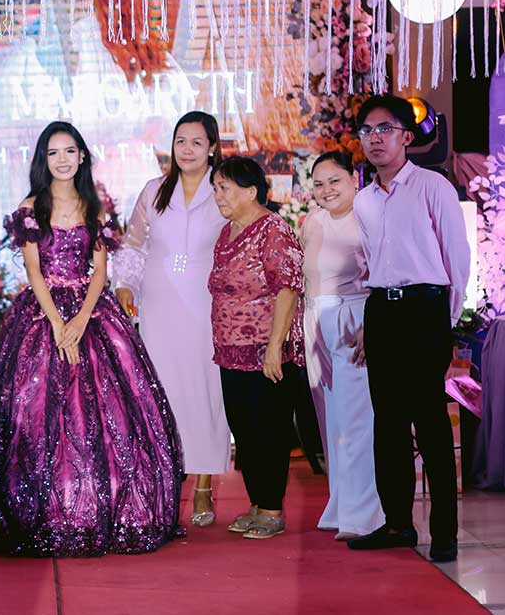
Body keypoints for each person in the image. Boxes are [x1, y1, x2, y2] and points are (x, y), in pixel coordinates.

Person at [0, 121, 184, 557]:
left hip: (90, 311)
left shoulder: (96, 207)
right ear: (44, 159)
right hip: (43, 313)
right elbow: (34, 272)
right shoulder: (30, 208)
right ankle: (50, 511)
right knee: (39, 409)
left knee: (111, 408)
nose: (62, 159)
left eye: (69, 151)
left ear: (81, 157)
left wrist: (80, 320)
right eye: (53, 152)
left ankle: (109, 506)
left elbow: (100, 273)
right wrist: (58, 323)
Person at [347, 95, 470, 563]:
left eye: (385, 129)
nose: (375, 139)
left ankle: (444, 532)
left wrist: (445, 319)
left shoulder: (432, 186)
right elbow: (368, 264)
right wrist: (369, 321)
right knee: (388, 424)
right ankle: (398, 523)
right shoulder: (363, 200)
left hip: (425, 310)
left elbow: (456, 257)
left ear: (406, 136)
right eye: (367, 131)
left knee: (431, 422)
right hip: (383, 311)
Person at [113, 111, 230, 527]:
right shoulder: (154, 190)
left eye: (197, 142)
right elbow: (134, 245)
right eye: (181, 141)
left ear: (212, 147)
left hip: (207, 304)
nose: (187, 149)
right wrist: (125, 285)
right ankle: (163, 484)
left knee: (205, 392)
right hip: (159, 306)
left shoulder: (224, 189)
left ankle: (203, 486)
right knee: (162, 394)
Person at [208, 156, 304, 540]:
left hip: (266, 350)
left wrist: (275, 346)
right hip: (230, 349)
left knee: (269, 430)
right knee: (244, 430)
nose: (218, 195)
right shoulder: (227, 231)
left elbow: (288, 288)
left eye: (224, 188)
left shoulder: (273, 229)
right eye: (216, 188)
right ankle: (257, 502)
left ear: (250, 191)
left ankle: (272, 509)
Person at [302, 152, 384, 541]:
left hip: (354, 318)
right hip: (315, 320)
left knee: (356, 420)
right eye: (319, 184)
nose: (326, 190)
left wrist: (372, 324)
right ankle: (339, 504)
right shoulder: (312, 221)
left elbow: (383, 274)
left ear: (354, 178)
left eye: (334, 181)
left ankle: (362, 514)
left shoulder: (370, 216)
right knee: (331, 421)